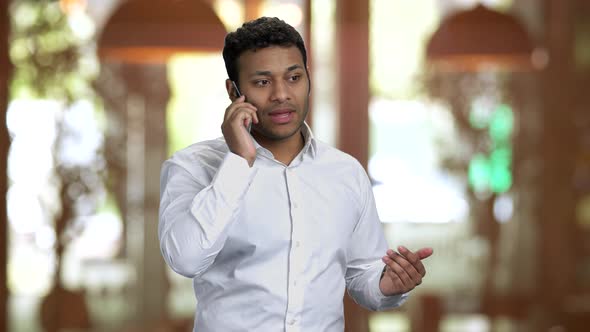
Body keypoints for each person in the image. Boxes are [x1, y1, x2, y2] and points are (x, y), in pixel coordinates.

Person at [158, 16, 433, 332]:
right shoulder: (192, 167)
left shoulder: (345, 173)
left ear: (309, 80)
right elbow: (186, 260)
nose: (281, 94)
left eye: (293, 77)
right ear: (234, 91)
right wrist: (238, 161)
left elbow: (361, 275)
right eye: (262, 82)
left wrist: (389, 284)